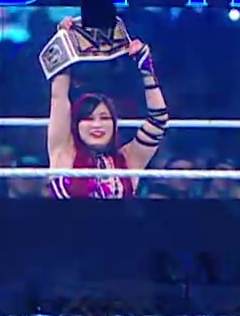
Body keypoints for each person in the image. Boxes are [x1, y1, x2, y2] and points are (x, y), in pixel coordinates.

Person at [45, 16, 168, 199]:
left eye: (104, 118)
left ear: (114, 123)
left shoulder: (128, 159)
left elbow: (158, 121)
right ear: (76, 125)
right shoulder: (64, 152)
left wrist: (146, 67)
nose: (97, 125)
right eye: (88, 118)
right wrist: (63, 41)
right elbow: (59, 97)